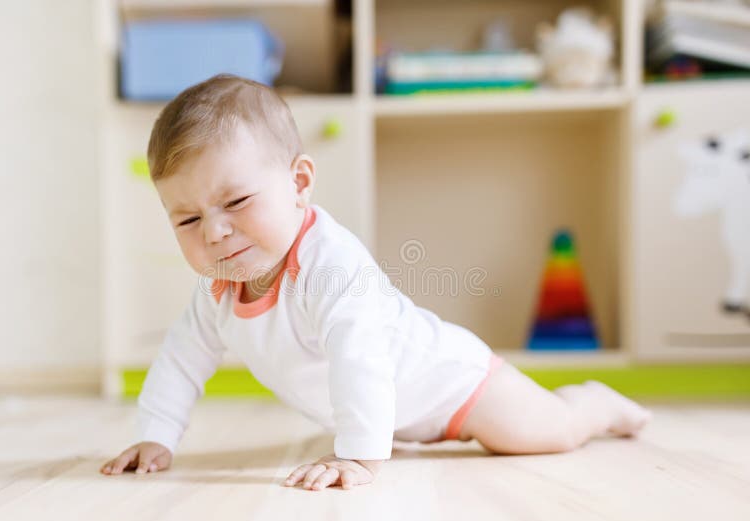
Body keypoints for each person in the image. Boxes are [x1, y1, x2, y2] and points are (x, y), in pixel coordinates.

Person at [100, 74, 651, 491]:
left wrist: (361, 455)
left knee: (542, 436)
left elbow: (359, 358)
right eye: (188, 220)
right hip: (396, 416)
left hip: (456, 387)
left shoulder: (331, 267)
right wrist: (157, 435)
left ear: (299, 183)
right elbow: (180, 359)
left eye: (237, 201)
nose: (215, 233)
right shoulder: (218, 290)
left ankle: (595, 405)